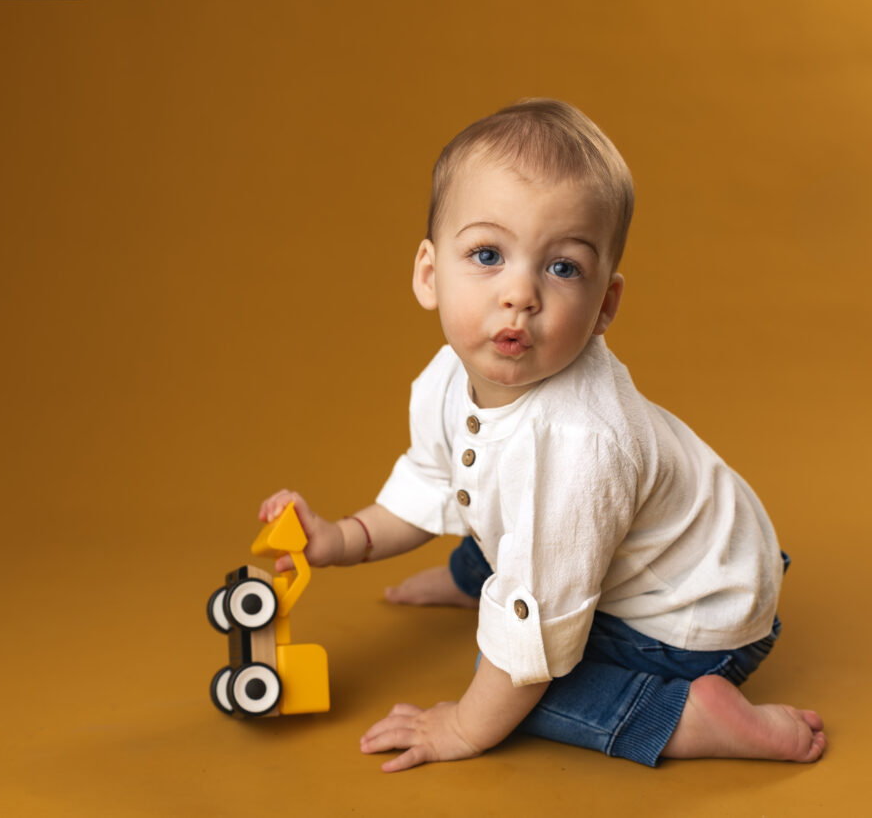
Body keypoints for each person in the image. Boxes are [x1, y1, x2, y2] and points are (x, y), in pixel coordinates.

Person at [258, 99, 826, 772]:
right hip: (671, 541)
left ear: (604, 306)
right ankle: (477, 575)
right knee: (497, 507)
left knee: (514, 673)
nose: (520, 293)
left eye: (562, 268)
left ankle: (696, 719)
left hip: (693, 615)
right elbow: (435, 477)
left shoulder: (578, 444)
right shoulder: (448, 375)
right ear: (429, 274)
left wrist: (464, 727)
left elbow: (534, 626)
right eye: (489, 255)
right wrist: (341, 538)